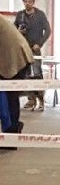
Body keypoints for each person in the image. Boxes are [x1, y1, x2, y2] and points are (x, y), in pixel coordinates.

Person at [14, 0, 51, 111]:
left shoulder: (40, 15)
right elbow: (13, 30)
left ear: (33, 2)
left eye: (29, 1)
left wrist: (39, 44)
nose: (27, 4)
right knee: (25, 75)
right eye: (25, 1)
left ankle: (41, 101)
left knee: (37, 74)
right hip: (22, 50)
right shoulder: (20, 15)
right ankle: (31, 100)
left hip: (35, 50)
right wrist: (18, 31)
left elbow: (48, 30)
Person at [0, 15, 33, 143]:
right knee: (9, 97)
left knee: (10, 97)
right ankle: (13, 128)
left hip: (15, 57)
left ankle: (11, 136)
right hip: (13, 54)